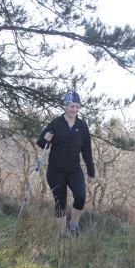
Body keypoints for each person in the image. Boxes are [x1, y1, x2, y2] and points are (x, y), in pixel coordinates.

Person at [37, 92, 95, 237]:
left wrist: (91, 171)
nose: (74, 109)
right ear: (66, 106)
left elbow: (87, 150)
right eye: (71, 106)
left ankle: (73, 227)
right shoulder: (56, 123)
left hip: (74, 170)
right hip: (55, 171)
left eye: (77, 106)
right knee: (60, 203)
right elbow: (41, 143)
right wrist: (46, 138)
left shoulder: (82, 126)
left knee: (80, 197)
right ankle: (62, 235)